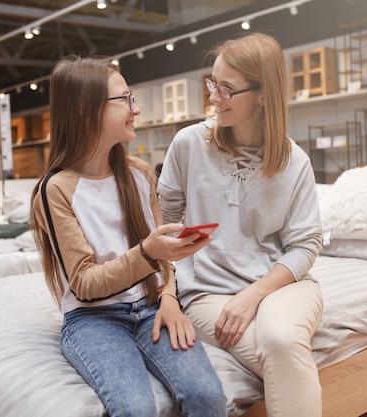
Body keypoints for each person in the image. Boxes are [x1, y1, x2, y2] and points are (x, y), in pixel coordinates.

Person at [29, 55, 227, 417]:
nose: (135, 109)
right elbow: (85, 283)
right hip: (93, 320)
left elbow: (162, 260)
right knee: (136, 408)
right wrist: (148, 253)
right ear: (86, 111)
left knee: (209, 397)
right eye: (125, 100)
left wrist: (169, 299)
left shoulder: (138, 174)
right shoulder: (55, 189)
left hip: (152, 307)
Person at [157, 32, 324, 417]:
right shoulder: (188, 144)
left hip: (282, 285)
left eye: (226, 89)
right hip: (207, 293)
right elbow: (162, 227)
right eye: (212, 82)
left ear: (263, 95)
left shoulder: (294, 162)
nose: (213, 96)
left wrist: (252, 296)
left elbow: (305, 245)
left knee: (282, 339)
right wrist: (168, 294)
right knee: (282, 357)